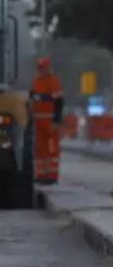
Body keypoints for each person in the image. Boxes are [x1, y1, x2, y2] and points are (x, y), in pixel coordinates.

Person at [30, 57, 64, 185]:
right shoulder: (35, 81)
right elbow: (32, 99)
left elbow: (59, 102)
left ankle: (52, 175)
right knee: (40, 150)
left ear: (48, 68)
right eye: (39, 68)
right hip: (38, 122)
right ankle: (41, 174)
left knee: (52, 148)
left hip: (50, 121)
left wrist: (56, 121)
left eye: (43, 68)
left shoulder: (53, 81)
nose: (41, 70)